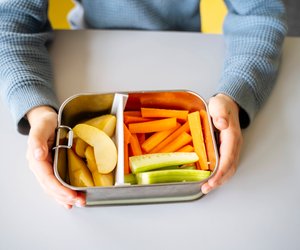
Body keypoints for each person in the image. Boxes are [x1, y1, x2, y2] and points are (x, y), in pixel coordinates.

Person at [0, 0, 287, 209]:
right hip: (87, 49)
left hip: (184, 52)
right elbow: (11, 22)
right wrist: (37, 110)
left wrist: (234, 95)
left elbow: (260, 12)